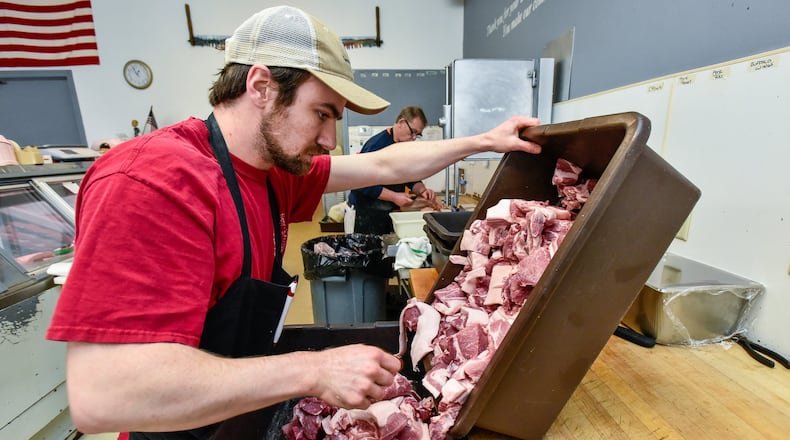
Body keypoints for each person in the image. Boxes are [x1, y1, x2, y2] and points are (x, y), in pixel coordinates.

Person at [45, 6, 542, 439]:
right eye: (322, 113)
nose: (331, 138)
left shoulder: (273, 172)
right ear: (261, 86)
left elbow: (388, 165)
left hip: (233, 414)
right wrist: (312, 370)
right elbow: (103, 394)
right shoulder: (156, 180)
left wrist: (484, 140)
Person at [348, 106, 442, 235]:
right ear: (402, 123)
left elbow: (409, 176)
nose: (414, 138)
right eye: (412, 132)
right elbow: (361, 183)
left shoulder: (404, 147)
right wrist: (395, 197)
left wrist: (422, 190)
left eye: (417, 135)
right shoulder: (376, 145)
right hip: (365, 213)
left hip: (388, 211)